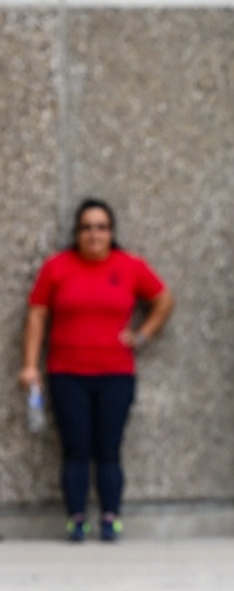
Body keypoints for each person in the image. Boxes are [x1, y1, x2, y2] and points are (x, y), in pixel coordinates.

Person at [19, 198, 173, 542]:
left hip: (116, 374)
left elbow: (164, 299)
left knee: (108, 448)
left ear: (111, 232)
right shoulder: (57, 267)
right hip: (67, 373)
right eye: (87, 227)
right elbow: (37, 314)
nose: (94, 234)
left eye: (101, 227)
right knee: (75, 448)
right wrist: (30, 365)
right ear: (77, 233)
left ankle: (110, 517)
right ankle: (76, 519)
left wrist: (143, 334)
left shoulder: (130, 266)